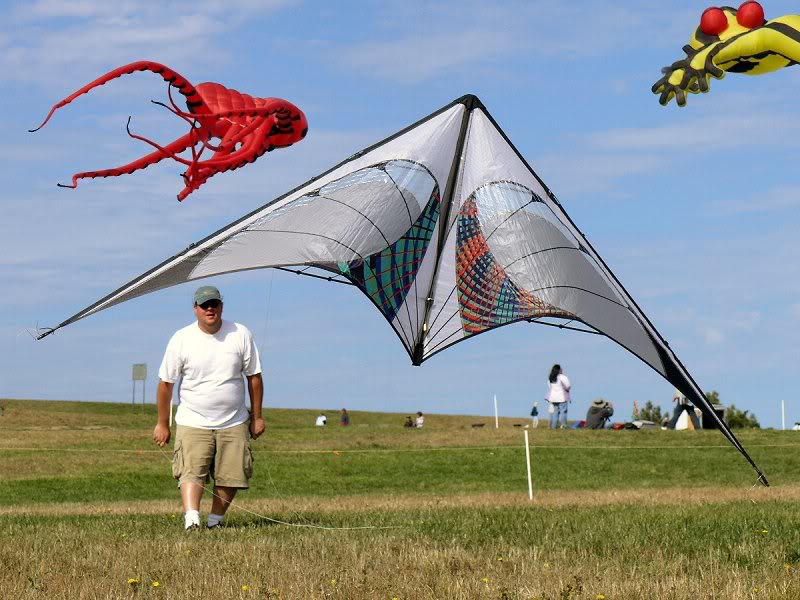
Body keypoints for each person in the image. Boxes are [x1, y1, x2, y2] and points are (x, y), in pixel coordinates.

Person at [152, 286, 264, 531]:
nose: (209, 309)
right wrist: (163, 423)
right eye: (204, 305)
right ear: (195, 309)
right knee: (191, 471)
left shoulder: (241, 333)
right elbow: (165, 384)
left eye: (214, 304)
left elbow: (254, 377)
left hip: (233, 421)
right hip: (193, 420)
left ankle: (216, 521)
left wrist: (257, 417)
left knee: (232, 474)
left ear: (222, 306)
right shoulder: (181, 338)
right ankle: (192, 518)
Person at [546, 364, 571, 429]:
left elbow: (549, 387)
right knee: (563, 412)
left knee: (555, 412)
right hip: (562, 397)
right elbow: (568, 386)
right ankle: (563, 426)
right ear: (559, 370)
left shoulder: (550, 378)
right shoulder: (563, 377)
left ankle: (553, 427)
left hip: (553, 398)